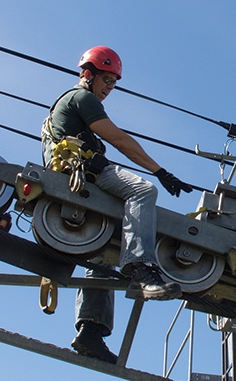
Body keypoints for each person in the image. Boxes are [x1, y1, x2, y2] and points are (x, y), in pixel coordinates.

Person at [41, 46, 193, 364]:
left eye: (113, 82)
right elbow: (120, 140)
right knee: (143, 191)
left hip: (75, 181)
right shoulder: (82, 98)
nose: (109, 87)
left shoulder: (64, 107)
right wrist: (161, 171)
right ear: (88, 73)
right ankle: (141, 269)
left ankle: (90, 333)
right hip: (86, 173)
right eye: (106, 79)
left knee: (100, 256)